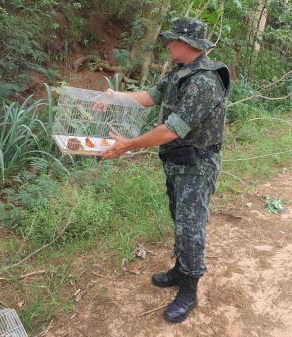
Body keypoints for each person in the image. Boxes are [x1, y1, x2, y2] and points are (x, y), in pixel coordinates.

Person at [94, 17, 230, 323]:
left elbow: (170, 130)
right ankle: (181, 269)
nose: (167, 44)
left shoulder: (205, 81)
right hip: (178, 162)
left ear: (189, 45)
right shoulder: (180, 72)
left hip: (198, 165)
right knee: (179, 218)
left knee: (191, 227)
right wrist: (114, 97)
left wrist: (128, 145)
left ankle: (189, 290)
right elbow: (150, 97)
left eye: (172, 40)